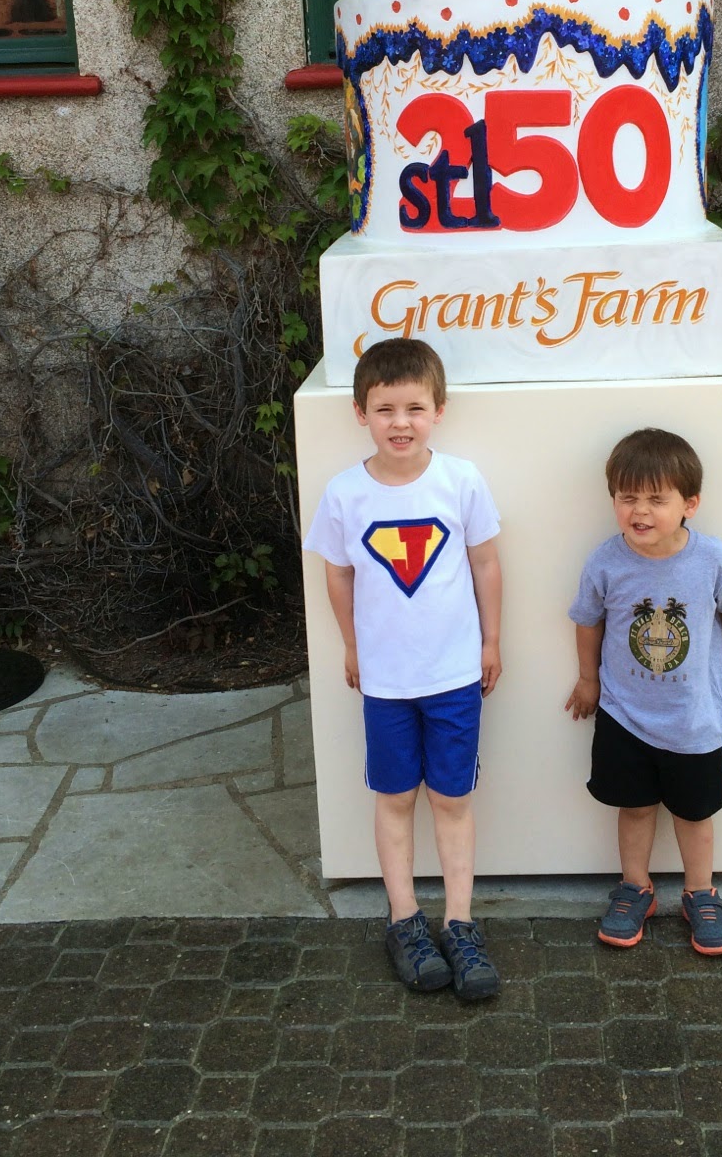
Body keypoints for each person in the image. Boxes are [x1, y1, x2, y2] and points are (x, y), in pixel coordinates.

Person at [303, 337, 503, 1000]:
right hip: (386, 683)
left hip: (453, 678)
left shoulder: (461, 481)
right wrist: (351, 645)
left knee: (452, 798)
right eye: (385, 408)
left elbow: (485, 564)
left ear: (438, 410)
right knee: (394, 798)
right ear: (360, 412)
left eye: (415, 408)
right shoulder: (344, 494)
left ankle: (460, 924)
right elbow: (337, 575)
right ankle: (404, 920)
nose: (400, 422)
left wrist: (491, 641)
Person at [565, 428, 722, 955]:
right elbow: (587, 622)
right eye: (627, 497)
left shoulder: (710, 558)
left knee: (694, 813)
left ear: (689, 505)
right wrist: (587, 679)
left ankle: (701, 893)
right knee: (634, 808)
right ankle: (635, 888)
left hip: (693, 718)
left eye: (657, 499)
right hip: (623, 716)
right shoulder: (605, 562)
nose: (640, 511)